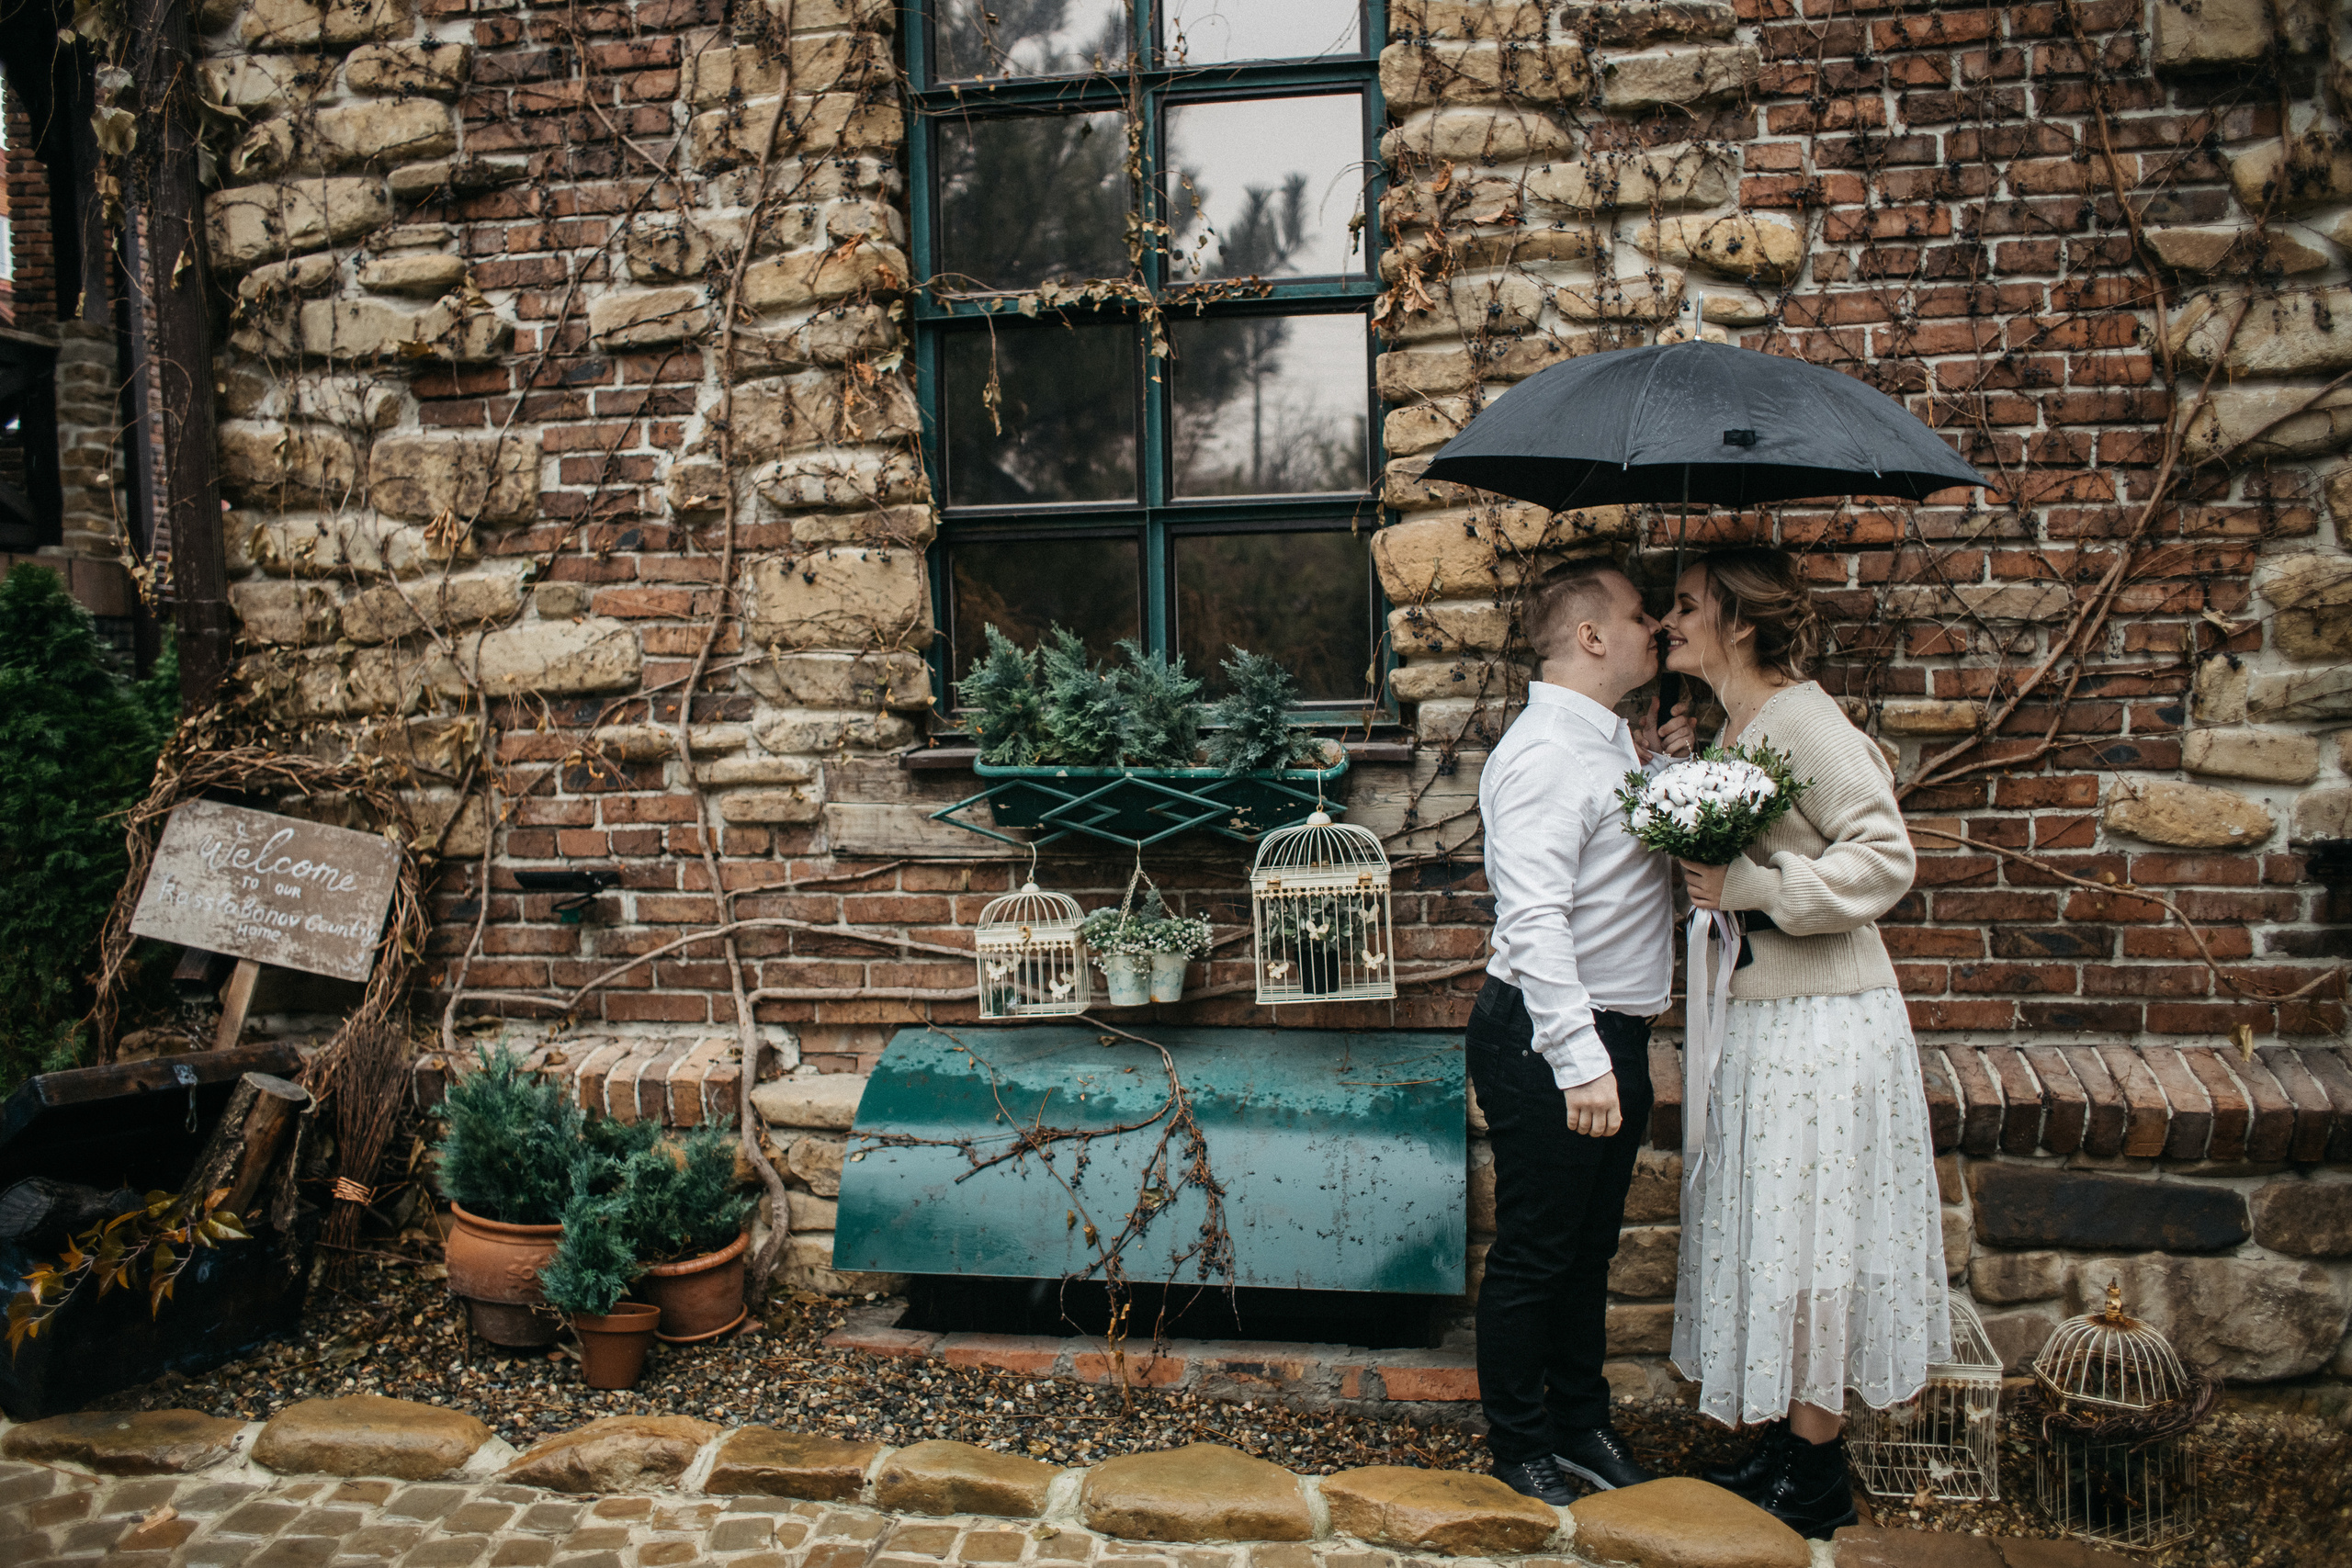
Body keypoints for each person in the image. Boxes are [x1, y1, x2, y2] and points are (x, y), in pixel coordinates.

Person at [1657, 547, 1948, 1538]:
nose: (1669, 622)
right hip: (1767, 1019)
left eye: (1687, 606)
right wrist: (1681, 772)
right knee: (1782, 1231)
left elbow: (1884, 857)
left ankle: (1817, 1468)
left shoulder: (1804, 720)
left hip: (1825, 1022)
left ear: (1739, 623)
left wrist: (1755, 890)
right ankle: (1790, 1440)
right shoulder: (1741, 726)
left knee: (1818, 1236)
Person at [1471, 561, 1675, 1504]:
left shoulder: (1604, 745)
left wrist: (1662, 771)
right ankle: (1519, 1446)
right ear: (1591, 637)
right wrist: (1580, 1062)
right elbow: (1534, 921)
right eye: (1640, 616)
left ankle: (1579, 1422)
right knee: (1535, 1251)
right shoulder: (1548, 750)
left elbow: (1604, 869)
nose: (1658, 627)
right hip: (1554, 1039)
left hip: (1607, 1034)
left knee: (1587, 1250)